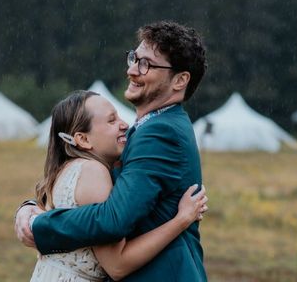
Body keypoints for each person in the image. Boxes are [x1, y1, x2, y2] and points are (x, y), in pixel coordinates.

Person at [16, 21, 209, 281]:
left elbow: (114, 218)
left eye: (146, 64)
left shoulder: (161, 133)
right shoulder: (145, 129)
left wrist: (40, 224)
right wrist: (30, 207)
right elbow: (84, 187)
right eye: (134, 58)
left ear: (180, 80)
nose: (132, 70)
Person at [30, 90, 207, 281]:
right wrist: (181, 220)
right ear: (83, 139)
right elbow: (117, 265)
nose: (124, 125)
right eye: (111, 121)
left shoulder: (69, 168)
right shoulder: (94, 172)